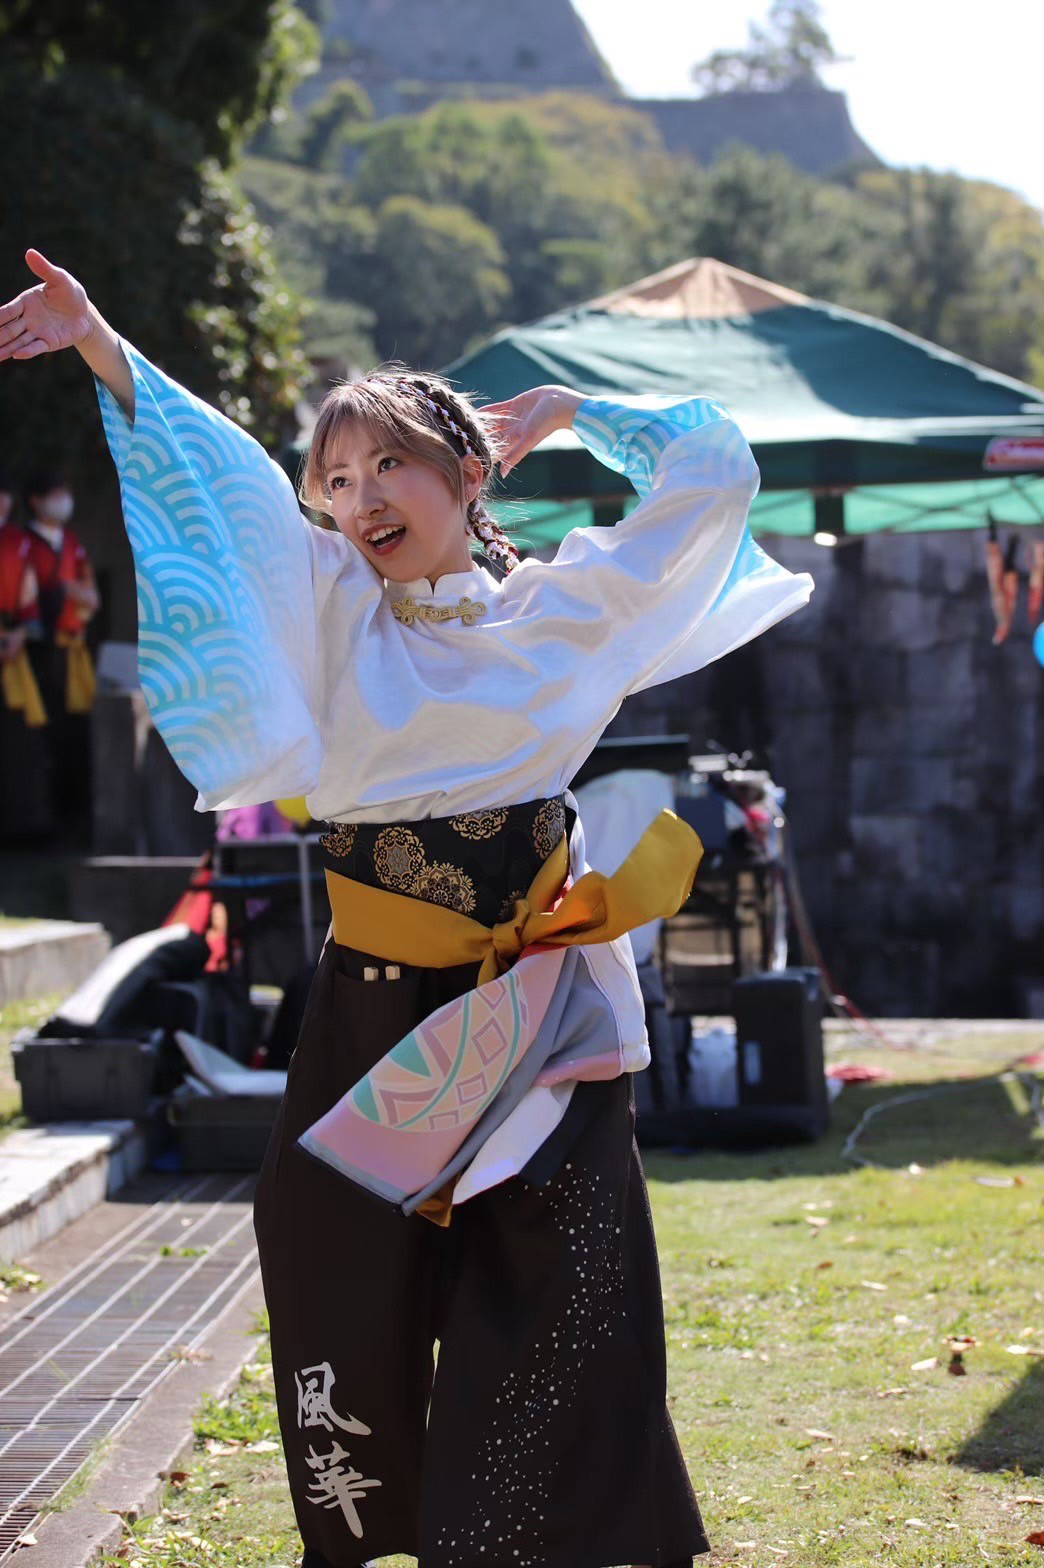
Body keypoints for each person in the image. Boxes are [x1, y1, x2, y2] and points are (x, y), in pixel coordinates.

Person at [0, 248, 813, 1568]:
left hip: (537, 1015)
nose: (358, 496)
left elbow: (712, 480)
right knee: (336, 1275)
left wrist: (577, 411)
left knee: (562, 1290)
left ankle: (514, 1542)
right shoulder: (329, 609)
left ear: (468, 474)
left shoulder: (566, 609)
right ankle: (375, 1531)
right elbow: (226, 494)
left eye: (392, 465)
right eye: (338, 475)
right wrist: (101, 343)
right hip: (374, 1014)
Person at [22, 464, 99, 824]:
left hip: (72, 649)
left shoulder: (70, 543)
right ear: (35, 501)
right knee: (41, 735)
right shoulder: (23, 544)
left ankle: (74, 813)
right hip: (37, 651)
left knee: (75, 732)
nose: (61, 501)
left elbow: (91, 595)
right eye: (53, 494)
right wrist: (67, 592)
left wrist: (79, 593)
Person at [0, 469, 51, 838]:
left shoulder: (18, 542)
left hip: (13, 653)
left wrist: (19, 633)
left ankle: (22, 827)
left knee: (19, 744)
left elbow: (30, 602)